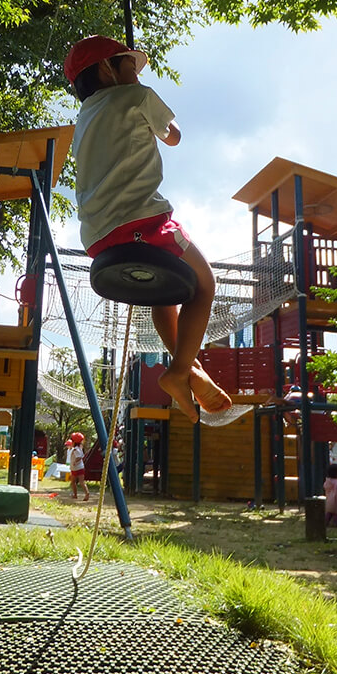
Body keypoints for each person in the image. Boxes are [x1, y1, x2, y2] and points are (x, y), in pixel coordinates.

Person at [64, 35, 232, 425]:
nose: (136, 70)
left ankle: (190, 370)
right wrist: (139, 91)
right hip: (143, 220)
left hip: (97, 238)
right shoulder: (137, 97)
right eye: (129, 63)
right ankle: (179, 370)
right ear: (108, 69)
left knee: (166, 294)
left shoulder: (83, 120)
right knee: (204, 284)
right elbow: (173, 136)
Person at [68, 432, 89, 501]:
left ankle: (77, 494)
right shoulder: (80, 448)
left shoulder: (76, 449)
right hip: (79, 467)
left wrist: (74, 462)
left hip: (76, 468)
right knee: (80, 482)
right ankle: (84, 493)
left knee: (75, 482)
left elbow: (79, 457)